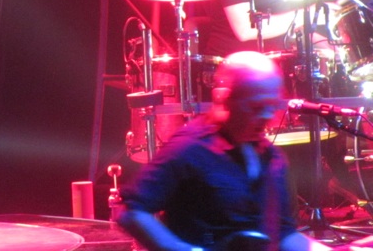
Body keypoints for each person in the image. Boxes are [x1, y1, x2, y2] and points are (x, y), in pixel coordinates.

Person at [117, 50, 330, 251]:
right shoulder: (190, 148)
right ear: (224, 99)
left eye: (272, 106)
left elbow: (285, 235)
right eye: (256, 106)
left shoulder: (272, 158)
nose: (267, 115)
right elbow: (132, 211)